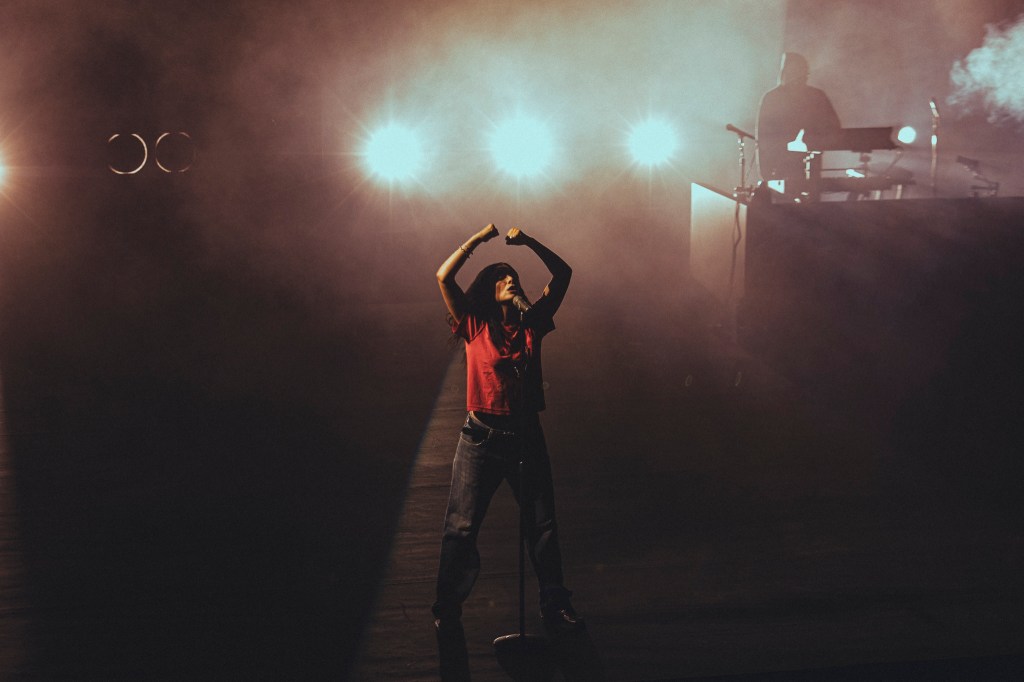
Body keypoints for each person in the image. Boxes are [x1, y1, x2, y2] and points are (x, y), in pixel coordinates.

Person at [432, 223, 582, 634]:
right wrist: (479, 240)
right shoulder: (475, 324)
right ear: (489, 288)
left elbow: (564, 274)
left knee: (542, 526)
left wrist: (531, 241)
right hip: (481, 437)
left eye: (513, 277)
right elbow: (444, 276)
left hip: (525, 434)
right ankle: (447, 605)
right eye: (501, 277)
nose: (510, 280)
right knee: (461, 528)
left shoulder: (533, 323)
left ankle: (554, 604)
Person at [756, 52, 841, 191]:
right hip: (780, 170)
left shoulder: (816, 97)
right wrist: (767, 174)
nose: (798, 78)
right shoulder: (772, 99)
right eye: (793, 72)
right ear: (785, 73)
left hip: (810, 169)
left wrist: (811, 142)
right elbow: (763, 138)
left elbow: (834, 130)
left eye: (801, 73)